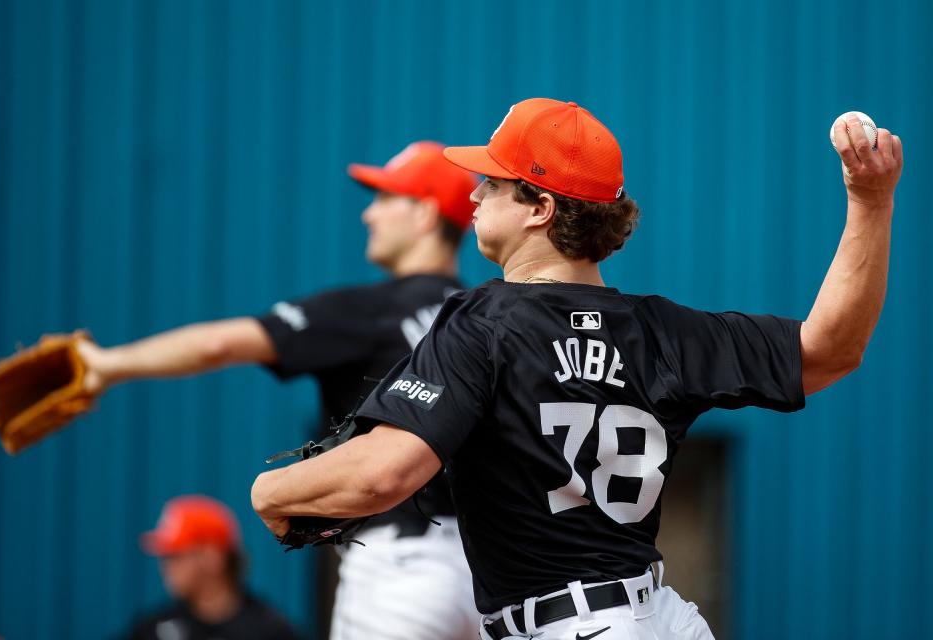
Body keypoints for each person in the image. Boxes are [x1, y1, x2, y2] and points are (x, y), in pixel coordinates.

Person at [250, 99, 903, 640]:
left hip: (571, 626)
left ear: (540, 208)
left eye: (493, 182)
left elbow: (384, 473)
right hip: (661, 620)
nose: (473, 194)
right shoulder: (663, 330)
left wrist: (271, 492)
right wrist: (870, 202)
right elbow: (830, 351)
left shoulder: (484, 319)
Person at [78, 141, 480, 639]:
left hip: (400, 569)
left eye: (382, 198)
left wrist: (105, 366)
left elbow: (219, 344)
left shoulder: (370, 308)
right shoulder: (477, 322)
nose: (368, 214)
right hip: (484, 573)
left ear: (423, 213)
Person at [127, 494, 301, 640]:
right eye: (165, 557)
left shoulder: (270, 631)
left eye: (176, 556)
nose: (166, 567)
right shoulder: (153, 629)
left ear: (212, 556)